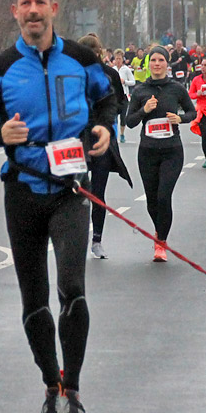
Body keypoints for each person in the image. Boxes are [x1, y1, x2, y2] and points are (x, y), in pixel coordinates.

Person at [0, 0, 115, 413]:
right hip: (23, 192)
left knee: (72, 290)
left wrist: (103, 128)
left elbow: (109, 100)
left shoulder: (81, 59)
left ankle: (73, 391)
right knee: (34, 300)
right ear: (15, 13)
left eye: (40, 2)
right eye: (24, 4)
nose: (33, 10)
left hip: (71, 191)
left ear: (53, 8)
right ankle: (50, 386)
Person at [125, 46, 196, 261]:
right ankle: (159, 231)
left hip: (172, 151)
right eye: (153, 60)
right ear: (148, 64)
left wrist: (180, 119)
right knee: (152, 200)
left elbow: (192, 112)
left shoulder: (176, 89)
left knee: (164, 197)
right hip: (147, 152)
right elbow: (129, 122)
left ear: (167, 63)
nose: (157, 64)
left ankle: (161, 242)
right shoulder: (140, 91)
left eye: (161, 60)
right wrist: (144, 111)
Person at [78, 35, 132, 259]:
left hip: (102, 138)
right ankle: (81, 239)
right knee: (77, 191)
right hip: (78, 139)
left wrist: (108, 121)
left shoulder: (110, 75)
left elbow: (121, 102)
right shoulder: (71, 76)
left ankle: (97, 239)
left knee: (97, 192)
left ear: (100, 53)